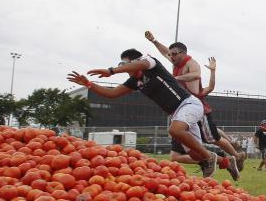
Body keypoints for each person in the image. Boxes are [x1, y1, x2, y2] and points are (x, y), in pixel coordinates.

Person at [67, 49, 227, 178]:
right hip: (178, 113)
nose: (123, 68)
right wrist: (88, 84)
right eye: (120, 64)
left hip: (189, 103)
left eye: (124, 64)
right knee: (195, 154)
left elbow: (142, 63)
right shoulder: (134, 82)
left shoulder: (150, 63)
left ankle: (210, 157)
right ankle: (227, 161)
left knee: (174, 130)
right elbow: (112, 93)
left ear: (135, 61)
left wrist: (111, 71)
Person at [145, 32, 245, 169]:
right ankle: (210, 160)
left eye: (174, 54)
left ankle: (234, 156)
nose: (171, 56)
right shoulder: (176, 63)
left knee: (212, 138)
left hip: (194, 107)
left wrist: (211, 72)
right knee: (177, 153)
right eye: (171, 54)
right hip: (181, 109)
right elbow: (165, 52)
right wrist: (154, 41)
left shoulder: (191, 64)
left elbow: (198, 77)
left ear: (183, 53)